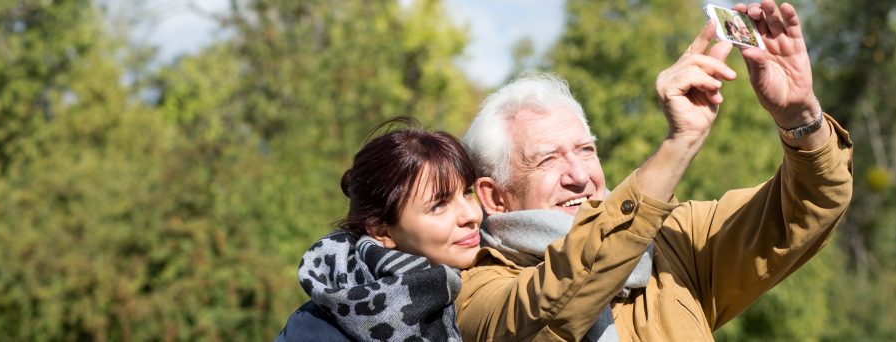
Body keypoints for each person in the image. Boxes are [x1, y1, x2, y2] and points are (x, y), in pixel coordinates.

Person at [455, 0, 853, 341]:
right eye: (548, 159)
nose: (580, 175)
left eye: (586, 150)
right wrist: (679, 143)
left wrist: (800, 116)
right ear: (494, 196)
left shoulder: (672, 242)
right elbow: (556, 304)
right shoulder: (472, 293)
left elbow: (808, 205)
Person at [277, 117, 483, 341]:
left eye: (467, 192)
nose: (471, 215)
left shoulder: (479, 286)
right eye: (439, 205)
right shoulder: (314, 330)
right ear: (382, 231)